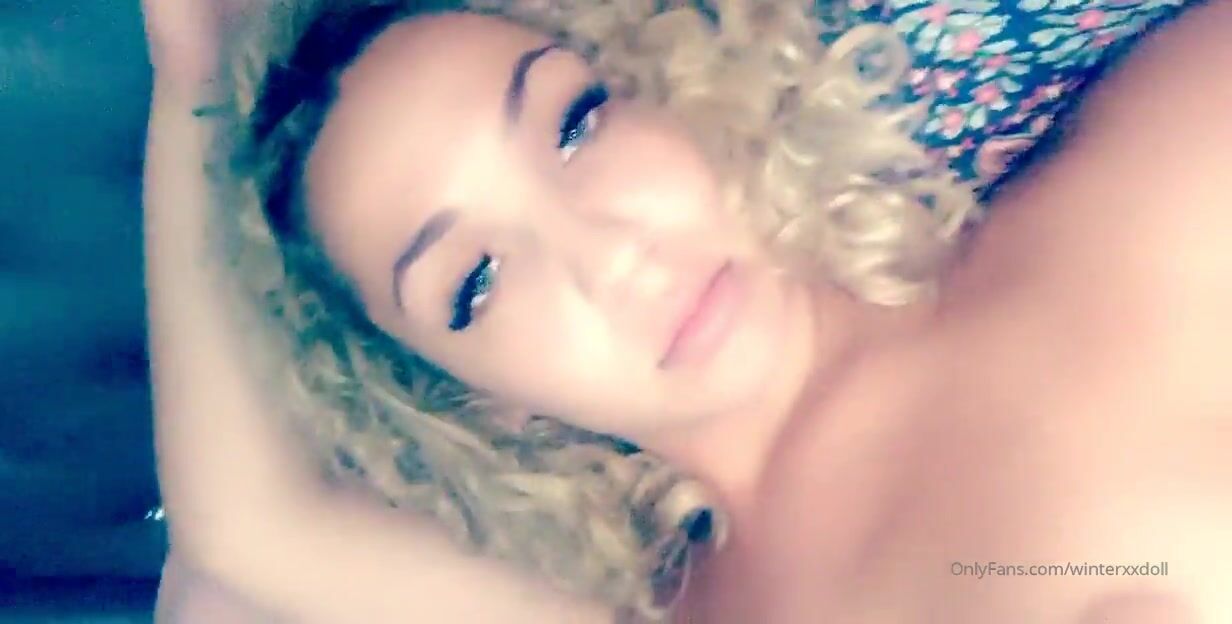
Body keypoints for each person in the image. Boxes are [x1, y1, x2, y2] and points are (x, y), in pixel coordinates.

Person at [142, 0, 1231, 622]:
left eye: (574, 124)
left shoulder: (1132, 219)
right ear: (480, 403)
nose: (613, 251)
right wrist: (192, 68)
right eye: (475, 280)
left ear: (668, 95)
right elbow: (247, 529)